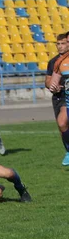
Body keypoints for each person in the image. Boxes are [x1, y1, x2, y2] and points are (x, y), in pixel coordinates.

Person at [48, 32, 69, 166]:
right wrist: (53, 87)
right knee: (61, 123)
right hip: (66, 100)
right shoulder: (59, 62)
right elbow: (52, 81)